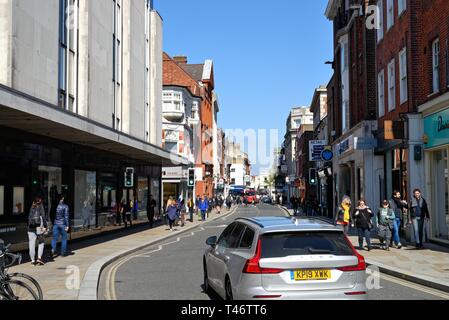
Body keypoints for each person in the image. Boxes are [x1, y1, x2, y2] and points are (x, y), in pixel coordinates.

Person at [28, 196, 48, 266]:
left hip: (30, 228)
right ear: (40, 200)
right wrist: (45, 226)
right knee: (41, 242)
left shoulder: (32, 205)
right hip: (39, 227)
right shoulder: (40, 206)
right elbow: (43, 216)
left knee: (31, 244)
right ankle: (39, 258)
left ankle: (33, 260)